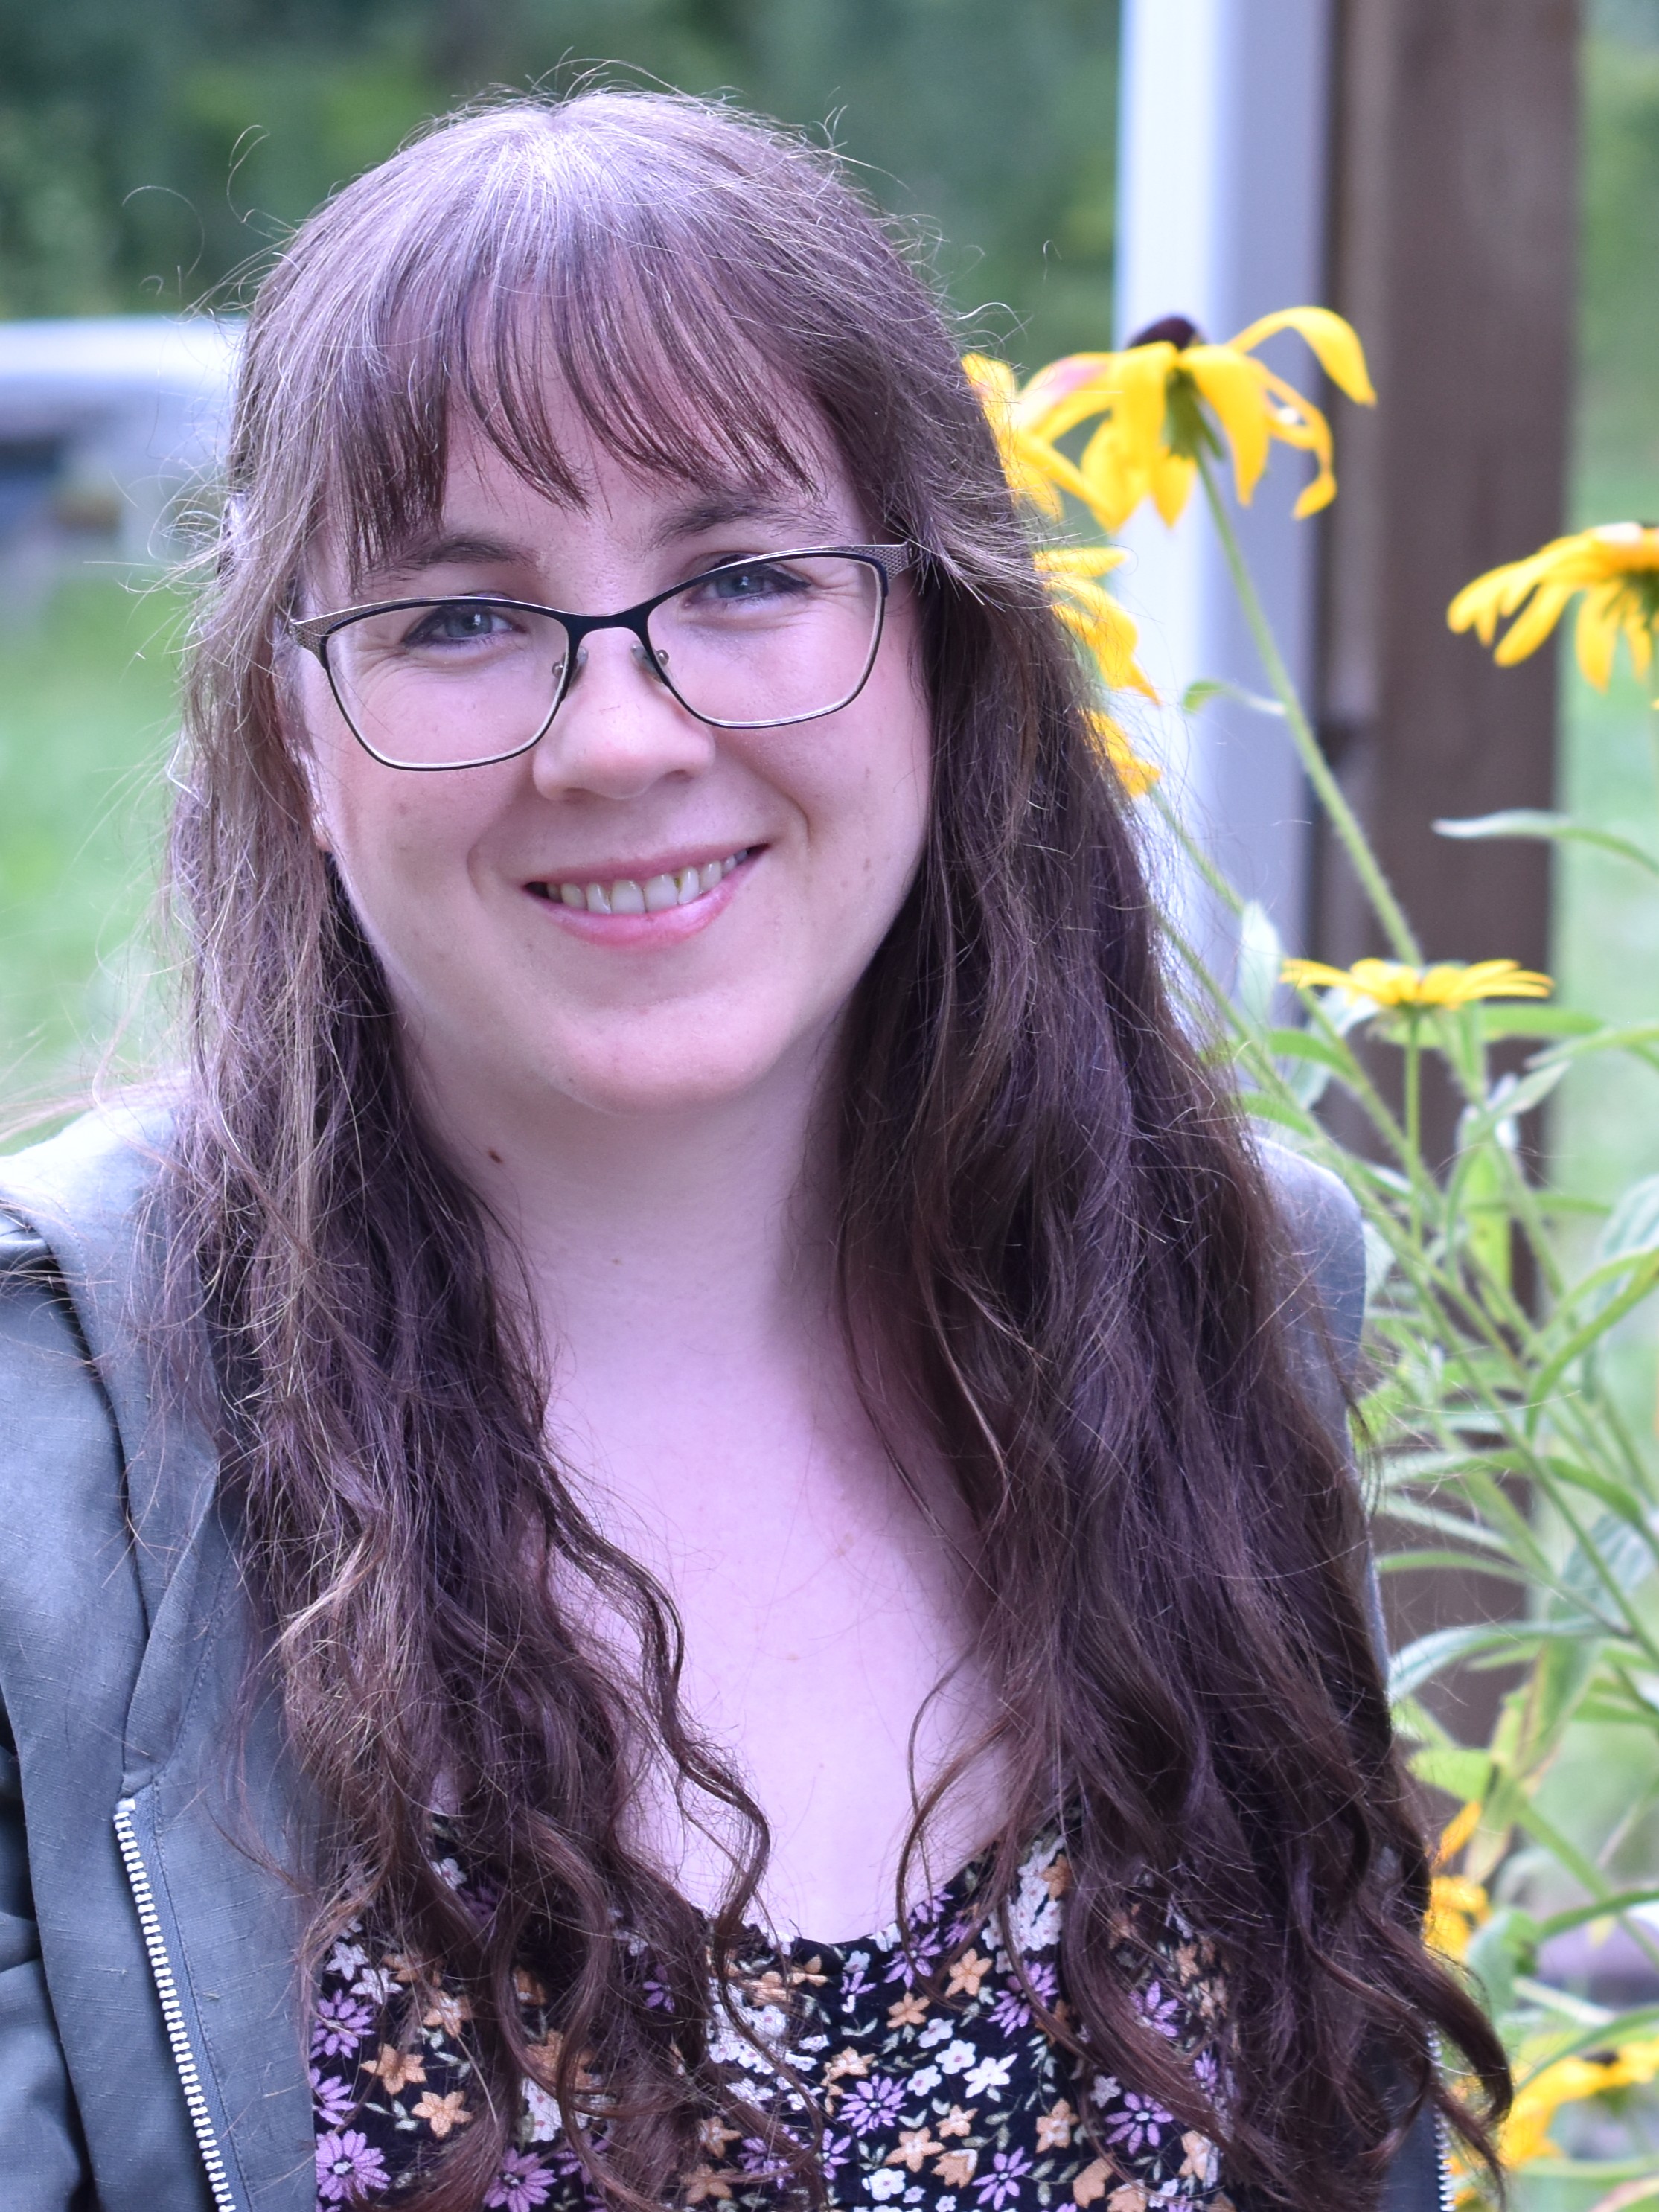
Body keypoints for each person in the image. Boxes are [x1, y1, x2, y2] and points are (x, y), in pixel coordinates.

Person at [0, 90, 1505, 2212]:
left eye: (745, 574)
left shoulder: (1220, 1289)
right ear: (296, 741)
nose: (621, 733)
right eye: (459, 617)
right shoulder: (49, 1440)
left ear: (940, 645)